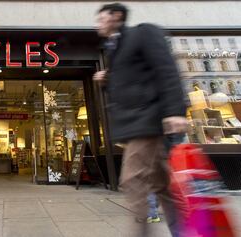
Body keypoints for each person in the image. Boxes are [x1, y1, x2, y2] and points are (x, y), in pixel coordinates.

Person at [93, 3, 188, 237]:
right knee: (163, 187)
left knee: (132, 180)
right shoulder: (114, 49)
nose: (98, 24)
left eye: (101, 18)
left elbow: (166, 69)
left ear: (116, 16)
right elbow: (132, 85)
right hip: (138, 126)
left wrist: (175, 110)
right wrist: (108, 81)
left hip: (150, 122)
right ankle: (186, 232)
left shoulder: (143, 33)